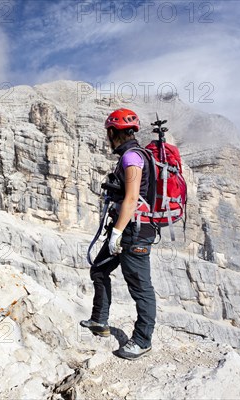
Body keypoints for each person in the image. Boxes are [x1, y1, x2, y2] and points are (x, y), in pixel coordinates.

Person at [81, 108, 157, 360]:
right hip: (126, 228)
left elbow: (133, 197)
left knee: (140, 286)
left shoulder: (131, 158)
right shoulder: (131, 155)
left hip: (134, 231)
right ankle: (99, 321)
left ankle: (142, 340)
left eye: (107, 132)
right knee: (99, 269)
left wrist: (116, 233)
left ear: (113, 132)